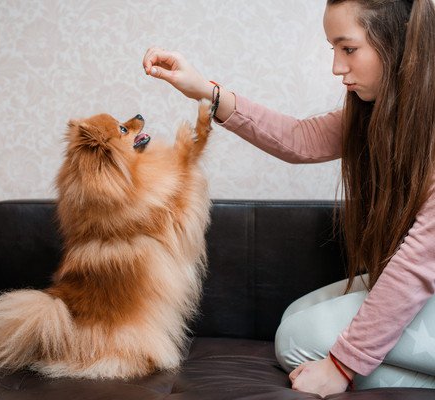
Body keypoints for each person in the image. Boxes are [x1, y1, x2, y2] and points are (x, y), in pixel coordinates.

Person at [142, 0, 435, 397]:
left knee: (298, 340)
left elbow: (419, 262)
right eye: (332, 49)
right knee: (295, 318)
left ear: (400, 43)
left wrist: (342, 365)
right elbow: (298, 139)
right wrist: (206, 90)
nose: (336, 67)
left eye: (348, 49)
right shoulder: (380, 112)